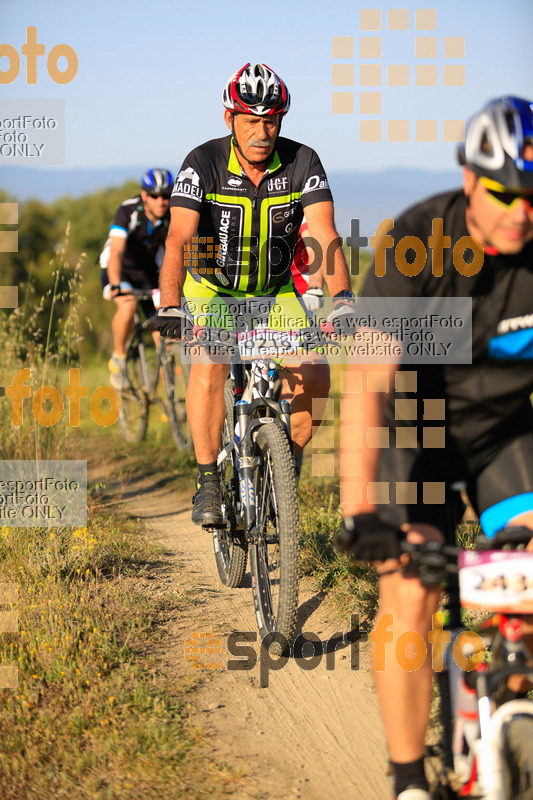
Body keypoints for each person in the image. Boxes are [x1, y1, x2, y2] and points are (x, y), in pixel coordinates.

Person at [338, 95, 533, 800]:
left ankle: (511, 705)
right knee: (411, 588)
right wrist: (360, 512)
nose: (520, 211)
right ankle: (406, 780)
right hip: (412, 435)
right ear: (469, 178)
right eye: (504, 193)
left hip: (501, 437)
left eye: (532, 196)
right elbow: (367, 385)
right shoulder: (414, 239)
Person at [156, 62, 352, 525]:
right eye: (250, 120)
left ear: (281, 119)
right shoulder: (201, 162)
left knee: (316, 378)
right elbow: (178, 238)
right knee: (209, 362)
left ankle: (280, 463)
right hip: (211, 292)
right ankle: (207, 480)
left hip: (274, 291)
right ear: (230, 120)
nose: (261, 132)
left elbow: (324, 235)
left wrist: (343, 298)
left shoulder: (303, 160)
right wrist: (168, 303)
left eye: (270, 120)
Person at [101, 168, 173, 390]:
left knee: (165, 331)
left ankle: (171, 404)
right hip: (120, 270)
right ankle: (119, 358)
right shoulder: (128, 211)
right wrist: (115, 285)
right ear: (144, 196)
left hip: (149, 274)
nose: (161, 201)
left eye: (166, 196)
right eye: (154, 195)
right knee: (128, 305)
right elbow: (116, 252)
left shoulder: (173, 216)